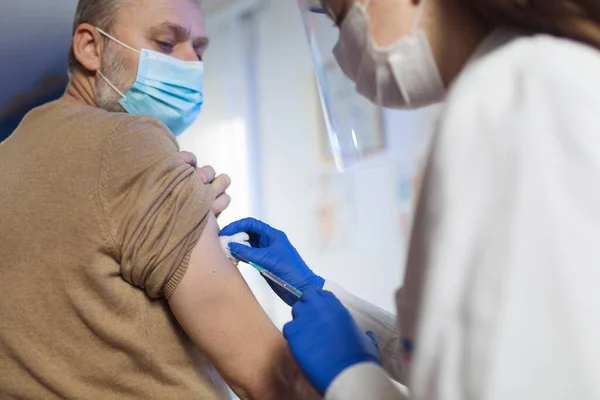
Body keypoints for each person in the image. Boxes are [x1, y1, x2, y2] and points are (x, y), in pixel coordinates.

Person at [221, 0, 600, 399]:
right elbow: (455, 350)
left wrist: (351, 379)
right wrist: (320, 291)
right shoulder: (528, 81)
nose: (341, 48)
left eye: (340, 15)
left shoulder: (517, 92)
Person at [0, 0, 319, 399]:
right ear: (90, 48)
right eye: (167, 43)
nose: (190, 64)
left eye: (199, 50)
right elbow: (272, 380)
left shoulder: (9, 155)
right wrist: (351, 362)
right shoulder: (130, 143)